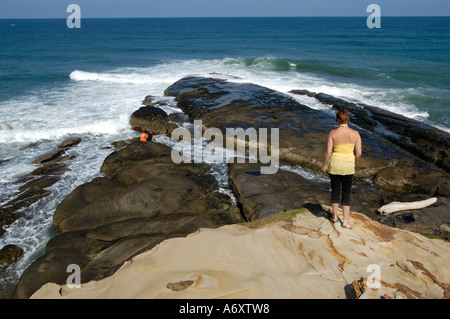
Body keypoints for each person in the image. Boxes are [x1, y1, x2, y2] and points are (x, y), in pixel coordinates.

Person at [321, 109, 362, 229]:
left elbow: (328, 151)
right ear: (348, 119)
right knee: (346, 193)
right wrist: (354, 160)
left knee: (335, 191)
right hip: (348, 166)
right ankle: (345, 221)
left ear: (338, 120)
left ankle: (334, 217)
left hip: (335, 165)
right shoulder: (355, 134)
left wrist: (324, 165)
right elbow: (359, 152)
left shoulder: (333, 133)